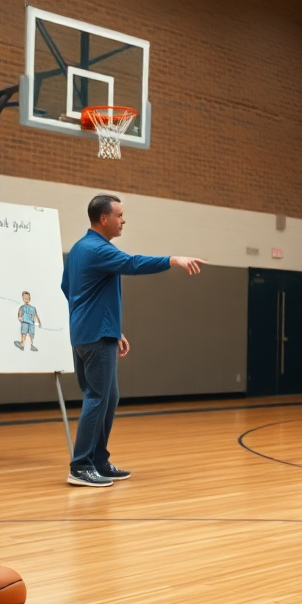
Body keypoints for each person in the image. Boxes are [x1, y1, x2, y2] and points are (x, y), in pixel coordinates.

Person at [60, 194, 206, 487]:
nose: (123, 220)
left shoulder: (79, 249)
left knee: (107, 397)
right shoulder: (97, 249)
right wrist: (174, 259)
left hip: (90, 332)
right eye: (120, 215)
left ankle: (98, 460)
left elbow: (67, 288)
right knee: (97, 397)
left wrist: (114, 328)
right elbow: (133, 263)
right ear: (104, 218)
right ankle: (80, 466)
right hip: (96, 335)